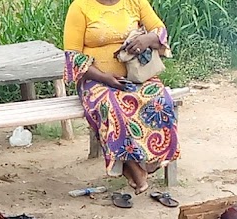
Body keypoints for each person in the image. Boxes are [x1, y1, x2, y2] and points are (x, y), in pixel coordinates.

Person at [63, 0, 180, 199]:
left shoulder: (135, 2)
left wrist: (147, 39)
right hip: (95, 81)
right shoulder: (80, 7)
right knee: (113, 105)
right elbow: (73, 56)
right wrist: (103, 77)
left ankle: (150, 160)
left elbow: (159, 30)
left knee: (160, 99)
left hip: (136, 77)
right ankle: (132, 167)